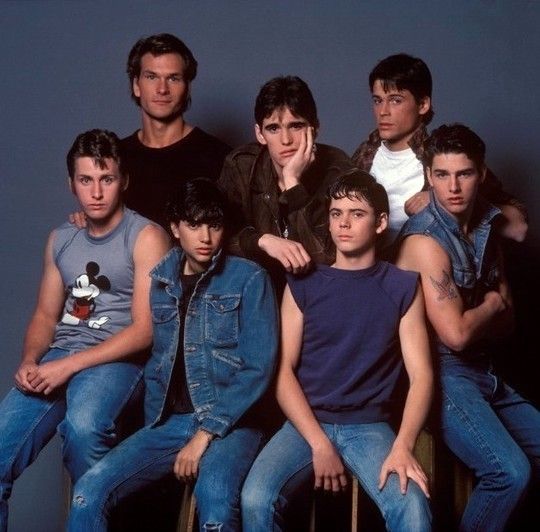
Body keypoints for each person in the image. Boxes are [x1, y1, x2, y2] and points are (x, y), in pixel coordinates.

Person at [67, 178, 278, 532]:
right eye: (194, 225)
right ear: (175, 227)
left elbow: (257, 368)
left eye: (214, 225)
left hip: (233, 422)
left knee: (215, 506)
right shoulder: (161, 281)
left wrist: (204, 433)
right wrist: (151, 431)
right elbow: (159, 362)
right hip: (170, 423)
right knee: (88, 492)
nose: (206, 237)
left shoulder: (249, 278)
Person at [241, 170, 433, 531]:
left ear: (379, 223)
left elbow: (422, 375)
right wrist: (319, 443)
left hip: (370, 427)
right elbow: (282, 373)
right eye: (335, 213)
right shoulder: (302, 283)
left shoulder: (403, 286)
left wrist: (404, 445)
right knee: (255, 498)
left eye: (356, 214)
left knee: (413, 506)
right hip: (305, 423)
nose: (343, 223)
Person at [0, 129, 170, 530]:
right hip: (59, 356)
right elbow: (45, 316)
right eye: (86, 180)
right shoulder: (61, 238)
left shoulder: (146, 236)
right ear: (71, 184)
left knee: (84, 429)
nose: (96, 192)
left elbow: (146, 330)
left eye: (106, 179)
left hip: (116, 360)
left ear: (123, 181)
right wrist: (30, 359)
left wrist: (70, 366)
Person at [395, 124, 540, 532]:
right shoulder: (424, 242)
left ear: (481, 173)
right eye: (441, 175)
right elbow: (455, 336)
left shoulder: (486, 227)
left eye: (465, 174)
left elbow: (509, 323)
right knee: (509, 473)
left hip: (486, 372)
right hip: (442, 378)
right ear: (428, 176)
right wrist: (491, 303)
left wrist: (485, 315)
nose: (453, 187)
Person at [352, 53, 527, 250]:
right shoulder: (365, 153)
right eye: (377, 100)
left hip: (423, 271)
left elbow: (518, 225)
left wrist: (442, 202)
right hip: (370, 272)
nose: (383, 111)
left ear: (423, 105)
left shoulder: (442, 155)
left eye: (395, 100)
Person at [218, 75, 354, 290]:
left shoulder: (339, 170)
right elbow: (214, 237)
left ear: (315, 128)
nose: (286, 140)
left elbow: (328, 257)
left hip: (318, 294)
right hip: (255, 292)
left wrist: (293, 184)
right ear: (259, 134)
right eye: (273, 128)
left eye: (296, 126)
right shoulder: (241, 167)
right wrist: (263, 241)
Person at [122, 33, 231, 228]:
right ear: (136, 85)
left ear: (188, 88)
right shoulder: (117, 156)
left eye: (173, 78)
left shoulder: (220, 157)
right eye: (151, 77)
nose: (162, 89)